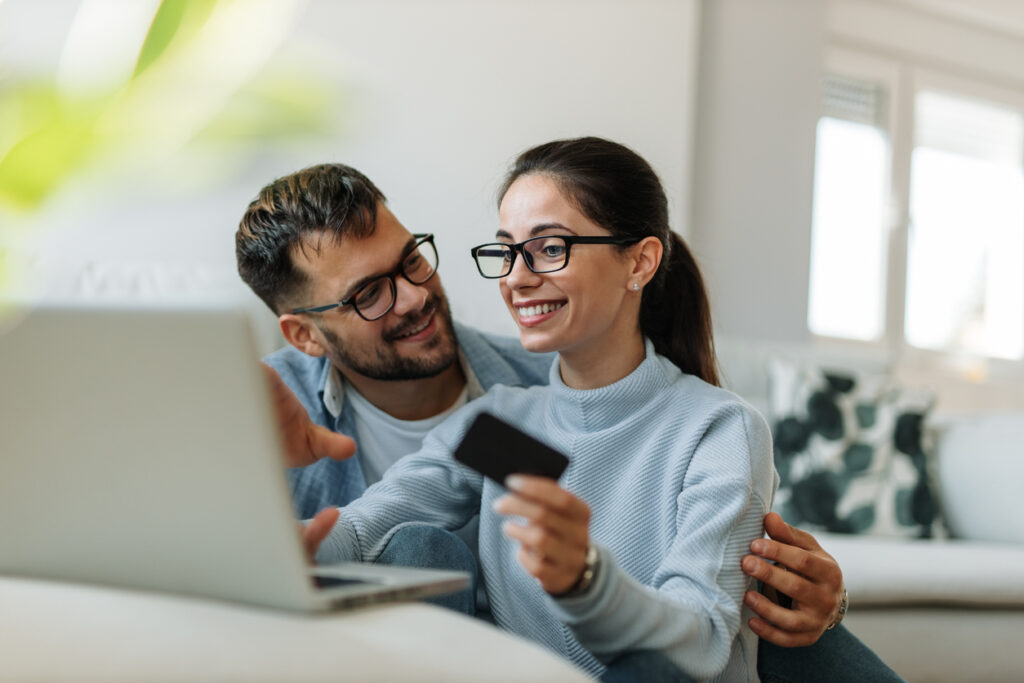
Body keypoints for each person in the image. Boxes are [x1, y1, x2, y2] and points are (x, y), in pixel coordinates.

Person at [237, 158, 903, 681]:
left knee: (668, 661)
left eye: (549, 248)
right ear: (305, 335)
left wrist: (584, 578)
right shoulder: (501, 424)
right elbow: (361, 528)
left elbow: (699, 638)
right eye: (508, 251)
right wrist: (264, 542)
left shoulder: (710, 426)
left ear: (639, 261)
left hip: (657, 666)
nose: (516, 278)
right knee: (418, 546)